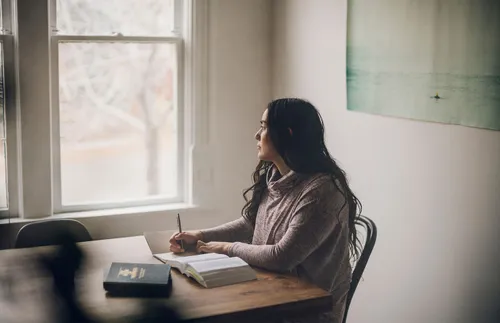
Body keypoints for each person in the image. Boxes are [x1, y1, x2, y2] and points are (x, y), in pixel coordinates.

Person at [169, 98, 362, 323]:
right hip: (268, 293)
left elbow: (282, 257)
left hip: (306, 313)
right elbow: (250, 223)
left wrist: (226, 248)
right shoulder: (275, 175)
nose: (256, 135)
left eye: (263, 126)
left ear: (287, 134)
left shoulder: (322, 191)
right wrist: (201, 236)